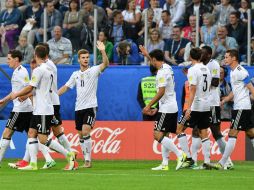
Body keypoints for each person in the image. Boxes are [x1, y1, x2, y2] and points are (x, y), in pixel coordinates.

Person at [9, 46, 75, 170]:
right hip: (39, 108)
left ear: (35, 55)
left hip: (44, 109)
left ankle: (69, 154)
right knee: (31, 133)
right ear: (46, 56)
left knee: (43, 139)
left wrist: (16, 94)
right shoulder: (48, 68)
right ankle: (33, 164)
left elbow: (30, 87)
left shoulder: (39, 70)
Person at [0, 50, 55, 169]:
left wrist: (22, 97)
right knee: (32, 136)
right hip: (26, 109)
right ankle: (46, 159)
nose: (7, 61)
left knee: (7, 133)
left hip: (21, 109)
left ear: (16, 59)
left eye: (9, 58)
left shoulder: (21, 72)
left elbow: (29, 88)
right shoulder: (16, 72)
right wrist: (4, 100)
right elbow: (15, 91)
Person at [58, 41, 109, 168]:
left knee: (86, 131)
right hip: (78, 107)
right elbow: (66, 87)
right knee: (80, 134)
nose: (86, 59)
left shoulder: (94, 71)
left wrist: (102, 51)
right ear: (79, 60)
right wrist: (54, 95)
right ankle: (86, 159)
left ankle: (88, 161)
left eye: (87, 57)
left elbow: (105, 64)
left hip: (90, 106)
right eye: (83, 58)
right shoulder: (75, 74)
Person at [139, 46, 185, 171]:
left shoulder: (161, 73)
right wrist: (147, 55)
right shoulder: (167, 67)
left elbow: (161, 92)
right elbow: (155, 62)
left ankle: (180, 155)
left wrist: (148, 106)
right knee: (165, 134)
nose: (151, 62)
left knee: (157, 134)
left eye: (151, 60)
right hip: (169, 106)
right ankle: (165, 164)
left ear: (154, 60)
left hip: (167, 108)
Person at [210, 49, 254, 170]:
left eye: (227, 57)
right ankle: (224, 162)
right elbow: (236, 92)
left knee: (232, 133)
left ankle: (223, 162)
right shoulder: (234, 72)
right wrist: (224, 100)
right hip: (242, 106)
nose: (225, 59)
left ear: (233, 58)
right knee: (251, 133)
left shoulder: (240, 71)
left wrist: (248, 99)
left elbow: (251, 88)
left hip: (241, 107)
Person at [191, 46, 233, 169]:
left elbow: (215, 82)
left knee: (215, 132)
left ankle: (227, 161)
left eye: (203, 53)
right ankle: (193, 161)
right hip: (202, 103)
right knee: (196, 130)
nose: (201, 55)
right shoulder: (199, 66)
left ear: (209, 54)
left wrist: (202, 82)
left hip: (213, 103)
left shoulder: (213, 64)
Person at [176, 47, 212, 169]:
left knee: (179, 129)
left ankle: (188, 158)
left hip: (196, 105)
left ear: (190, 57)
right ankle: (207, 161)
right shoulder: (207, 69)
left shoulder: (192, 70)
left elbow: (192, 89)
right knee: (203, 132)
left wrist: (189, 108)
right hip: (206, 104)